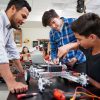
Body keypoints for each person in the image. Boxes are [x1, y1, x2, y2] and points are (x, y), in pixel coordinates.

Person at [57, 13, 100, 95]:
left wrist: (87, 79)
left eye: (79, 39)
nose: (78, 42)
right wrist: (67, 47)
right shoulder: (89, 47)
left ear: (92, 37)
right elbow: (77, 45)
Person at [0, 0, 31, 93]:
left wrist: (22, 71)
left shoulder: (8, 27)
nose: (24, 21)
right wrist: (12, 83)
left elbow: (12, 49)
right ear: (13, 9)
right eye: (23, 16)